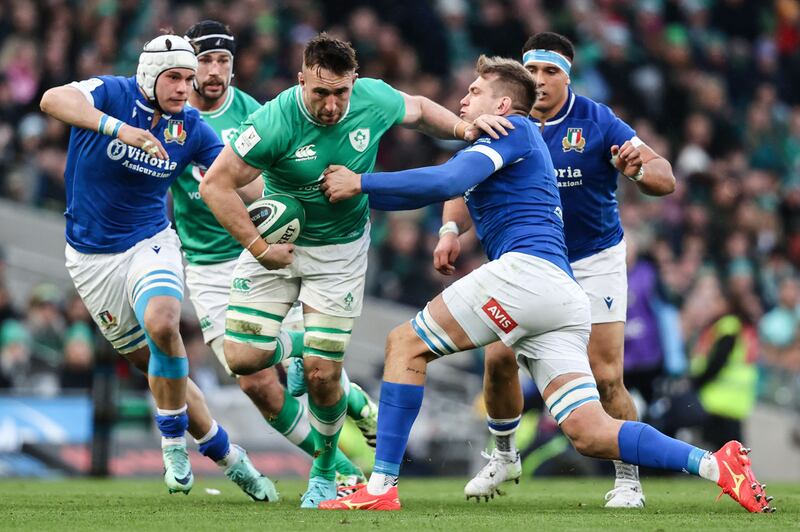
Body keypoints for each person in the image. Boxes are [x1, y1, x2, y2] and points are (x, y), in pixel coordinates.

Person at [316, 55, 771, 514]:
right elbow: (454, 186)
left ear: (505, 102)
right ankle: (715, 464)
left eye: (475, 90)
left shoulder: (513, 129)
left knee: (404, 346)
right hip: (560, 293)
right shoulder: (502, 141)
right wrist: (450, 232)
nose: (463, 97)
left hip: (526, 275)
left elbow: (447, 180)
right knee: (589, 432)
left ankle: (381, 487)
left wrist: (362, 183)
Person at [199, 33, 506, 508]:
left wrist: (465, 131)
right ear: (301, 79)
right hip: (277, 244)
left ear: (354, 82)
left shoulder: (372, 97)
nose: (331, 104)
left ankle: (324, 471)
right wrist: (258, 246)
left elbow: (421, 110)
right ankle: (318, 359)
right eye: (320, 92)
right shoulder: (274, 121)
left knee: (323, 374)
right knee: (241, 359)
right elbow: (215, 186)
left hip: (339, 252)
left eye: (341, 92)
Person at [438, 32, 676, 507]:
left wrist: (636, 171)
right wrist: (448, 229)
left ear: (569, 76)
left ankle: (627, 480)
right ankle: (504, 455)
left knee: (606, 374)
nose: (541, 80)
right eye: (534, 72)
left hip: (593, 260)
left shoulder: (597, 120)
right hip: (528, 259)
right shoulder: (504, 120)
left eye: (552, 72)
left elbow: (664, 177)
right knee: (498, 360)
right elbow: (464, 180)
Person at [39, 34, 276, 500]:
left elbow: (244, 182)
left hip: (151, 241)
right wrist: (118, 130)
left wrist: (285, 204)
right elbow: (52, 99)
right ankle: (226, 453)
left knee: (164, 322)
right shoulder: (111, 93)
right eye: (175, 77)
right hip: (91, 259)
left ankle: (172, 443)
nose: (185, 87)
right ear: (149, 76)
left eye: (190, 78)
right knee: (156, 365)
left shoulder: (191, 128)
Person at [174, 20, 377, 490]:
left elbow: (278, 193)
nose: (214, 70)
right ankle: (346, 465)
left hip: (265, 256)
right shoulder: (171, 116)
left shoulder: (254, 114)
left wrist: (264, 240)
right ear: (186, 66)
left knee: (302, 367)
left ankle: (350, 427)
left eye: (223, 60)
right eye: (205, 60)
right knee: (252, 380)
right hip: (205, 261)